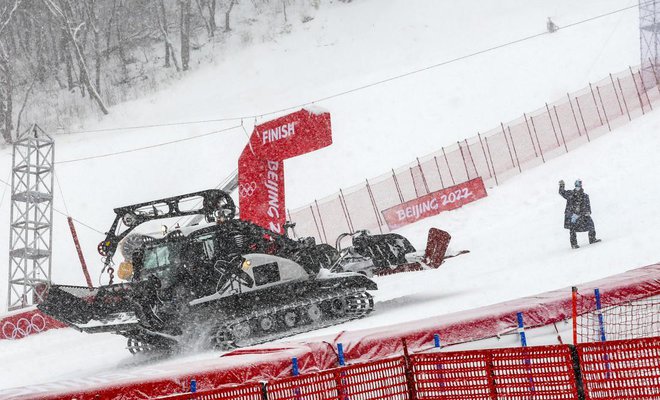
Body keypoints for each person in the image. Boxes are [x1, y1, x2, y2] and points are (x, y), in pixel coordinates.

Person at [558, 179, 600, 249]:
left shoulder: (585, 196)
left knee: (591, 224)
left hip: (582, 215)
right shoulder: (570, 194)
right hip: (572, 215)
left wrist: (587, 212)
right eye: (576, 185)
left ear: (581, 185)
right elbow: (562, 192)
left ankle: (592, 239)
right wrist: (562, 185)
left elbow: (588, 206)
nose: (577, 187)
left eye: (579, 185)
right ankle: (574, 244)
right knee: (572, 228)